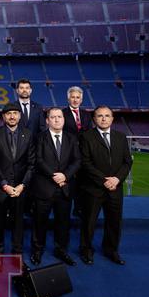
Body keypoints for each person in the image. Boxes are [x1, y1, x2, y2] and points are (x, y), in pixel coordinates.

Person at [79, 106, 133, 266]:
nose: (103, 118)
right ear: (94, 119)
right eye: (100, 116)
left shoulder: (121, 137)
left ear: (112, 118)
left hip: (115, 188)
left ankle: (111, 250)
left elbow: (127, 162)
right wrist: (104, 180)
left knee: (114, 222)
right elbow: (85, 163)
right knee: (89, 222)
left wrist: (117, 179)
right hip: (93, 188)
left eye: (107, 115)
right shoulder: (86, 137)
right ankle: (86, 250)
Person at [30, 107, 81, 267]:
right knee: (40, 222)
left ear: (64, 119)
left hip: (64, 188)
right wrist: (54, 175)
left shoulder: (71, 138)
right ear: (47, 120)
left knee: (63, 223)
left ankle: (61, 250)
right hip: (44, 187)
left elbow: (77, 161)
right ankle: (37, 251)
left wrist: (65, 176)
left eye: (59, 117)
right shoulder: (39, 138)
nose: (57, 119)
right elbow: (38, 160)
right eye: (53, 117)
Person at [0, 103, 35, 266]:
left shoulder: (28, 135)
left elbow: (31, 164)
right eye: (8, 114)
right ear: (3, 117)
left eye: (15, 113)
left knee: (18, 223)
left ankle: (17, 255)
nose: (12, 116)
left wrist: (22, 185)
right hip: (2, 188)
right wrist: (4, 184)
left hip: (21, 189)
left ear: (20, 116)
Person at [62, 86, 93, 217]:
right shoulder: (62, 113)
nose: (75, 100)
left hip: (84, 153)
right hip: (68, 153)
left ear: (81, 99)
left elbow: (90, 133)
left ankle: (79, 207)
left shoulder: (86, 114)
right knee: (69, 181)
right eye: (73, 97)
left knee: (83, 181)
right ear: (68, 98)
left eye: (78, 97)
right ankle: (66, 206)